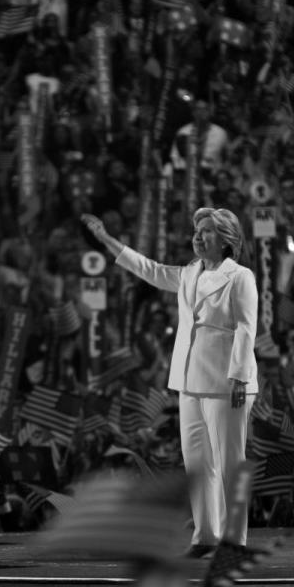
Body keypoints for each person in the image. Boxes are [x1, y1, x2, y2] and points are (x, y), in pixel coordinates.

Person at [81, 207, 259, 556]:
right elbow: (148, 269)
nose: (198, 236)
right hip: (189, 380)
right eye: (197, 229)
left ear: (226, 241)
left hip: (227, 383)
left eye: (206, 231)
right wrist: (105, 239)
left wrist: (240, 377)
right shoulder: (190, 273)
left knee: (229, 462)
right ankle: (206, 536)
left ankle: (235, 539)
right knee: (197, 462)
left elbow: (246, 327)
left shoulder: (240, 277)